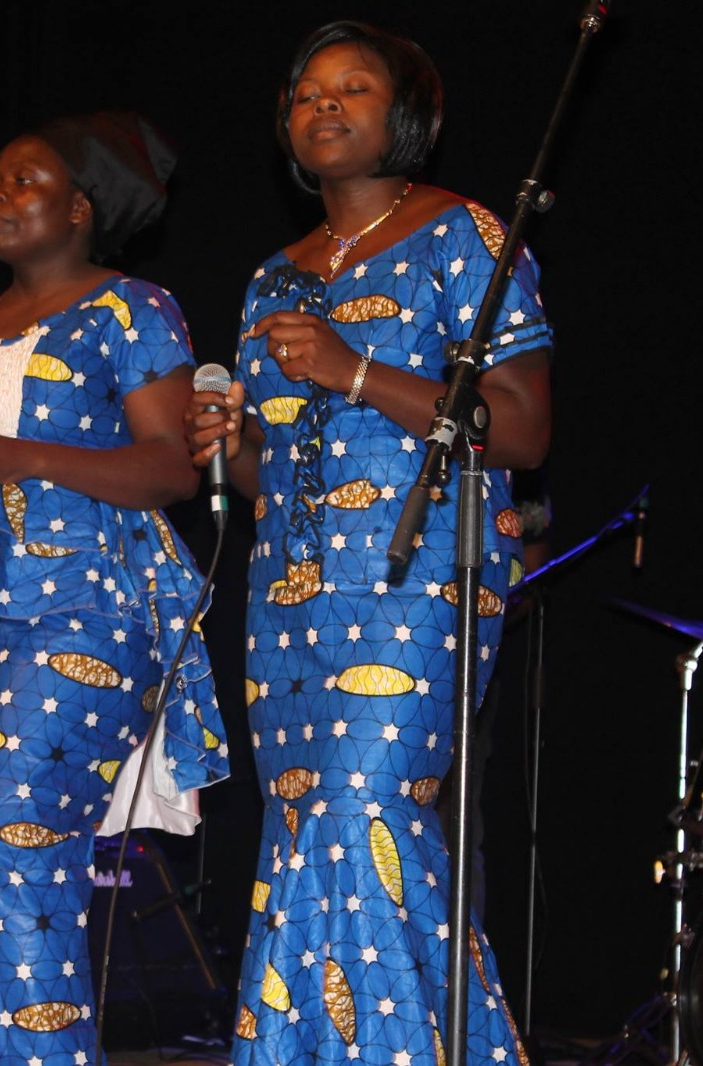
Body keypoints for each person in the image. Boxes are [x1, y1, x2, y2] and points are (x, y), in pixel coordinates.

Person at [184, 22, 551, 1065]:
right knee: (306, 828)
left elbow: (522, 428)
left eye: (352, 87)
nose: (324, 104)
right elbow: (275, 476)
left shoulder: (465, 235)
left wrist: (353, 371)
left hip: (418, 575)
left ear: (408, 114)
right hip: (291, 594)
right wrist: (232, 445)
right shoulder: (273, 277)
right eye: (306, 93)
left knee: (364, 810)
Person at [0, 110, 229, 1066]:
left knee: (12, 864)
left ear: (80, 208)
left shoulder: (131, 310)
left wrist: (23, 455)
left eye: (23, 180)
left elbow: (173, 466)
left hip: (79, 616)